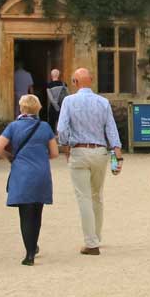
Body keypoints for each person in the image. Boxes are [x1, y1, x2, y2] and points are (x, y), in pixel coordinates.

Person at [54, 68, 122, 255]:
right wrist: (118, 154)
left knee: (83, 197)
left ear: (75, 82)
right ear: (91, 80)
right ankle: (96, 236)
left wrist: (66, 146)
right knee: (97, 195)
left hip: (79, 151)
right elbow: (111, 130)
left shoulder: (69, 101)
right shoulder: (103, 102)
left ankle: (91, 242)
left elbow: (62, 129)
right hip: (100, 151)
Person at [0, 95, 57, 266]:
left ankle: (29, 253)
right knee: (37, 213)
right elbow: (54, 153)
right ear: (38, 109)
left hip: (22, 173)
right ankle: (33, 247)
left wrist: (10, 157)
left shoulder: (14, 127)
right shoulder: (45, 127)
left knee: (25, 215)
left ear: (22, 108)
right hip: (41, 173)